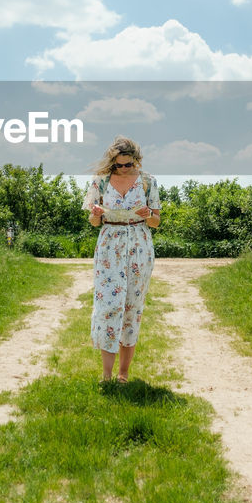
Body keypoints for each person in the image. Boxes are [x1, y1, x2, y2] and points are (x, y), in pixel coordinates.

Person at [83, 136, 161, 383]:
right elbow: (94, 222)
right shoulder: (100, 181)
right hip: (109, 245)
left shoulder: (148, 181)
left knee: (131, 309)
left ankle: (123, 374)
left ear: (136, 161)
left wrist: (148, 213)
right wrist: (96, 214)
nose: (124, 169)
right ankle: (106, 375)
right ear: (112, 162)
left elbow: (156, 221)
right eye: (119, 165)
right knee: (108, 306)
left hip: (139, 244)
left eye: (129, 164)